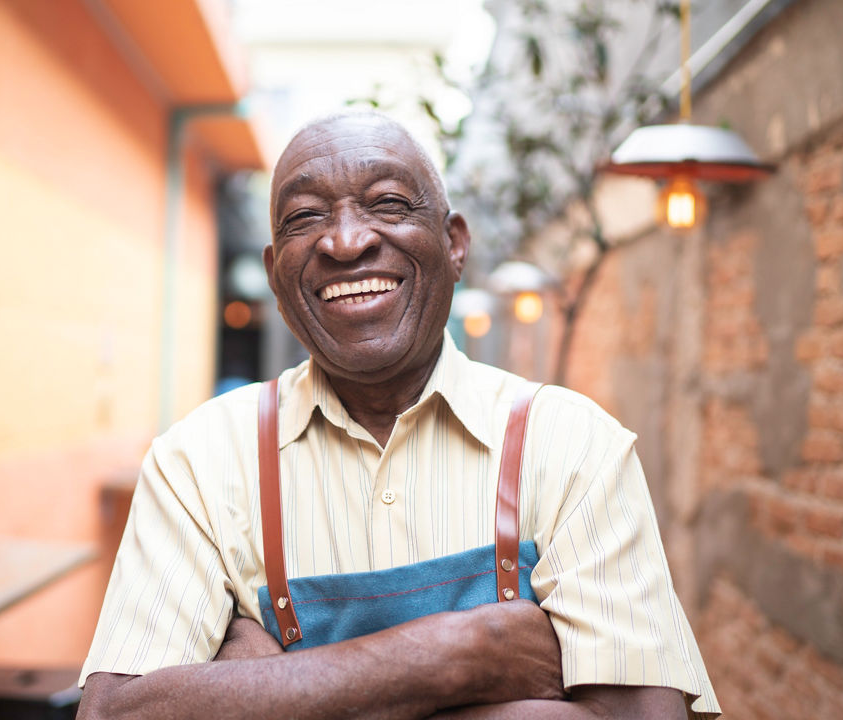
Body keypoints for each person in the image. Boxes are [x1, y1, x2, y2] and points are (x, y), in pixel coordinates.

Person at [77, 112, 721, 719]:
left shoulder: (574, 445)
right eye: (305, 216)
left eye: (387, 203)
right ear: (276, 274)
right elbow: (114, 713)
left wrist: (266, 686)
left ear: (454, 244)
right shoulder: (199, 462)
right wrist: (461, 657)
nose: (347, 241)